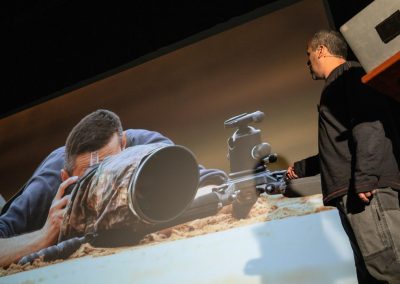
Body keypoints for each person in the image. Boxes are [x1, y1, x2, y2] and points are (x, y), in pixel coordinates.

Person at [0, 109, 228, 267]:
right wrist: (42, 236)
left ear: (125, 146)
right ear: (65, 177)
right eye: (88, 180)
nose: (101, 188)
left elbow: (212, 186)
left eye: (111, 169)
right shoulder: (49, 183)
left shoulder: (147, 150)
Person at [286, 30, 400, 283]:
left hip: (369, 192)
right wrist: (304, 167)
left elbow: (369, 128)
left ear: (321, 50)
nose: (308, 63)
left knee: (389, 269)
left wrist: (366, 177)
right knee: (373, 274)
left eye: (308, 55)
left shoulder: (350, 77)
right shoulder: (338, 85)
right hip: (355, 193)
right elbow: (342, 145)